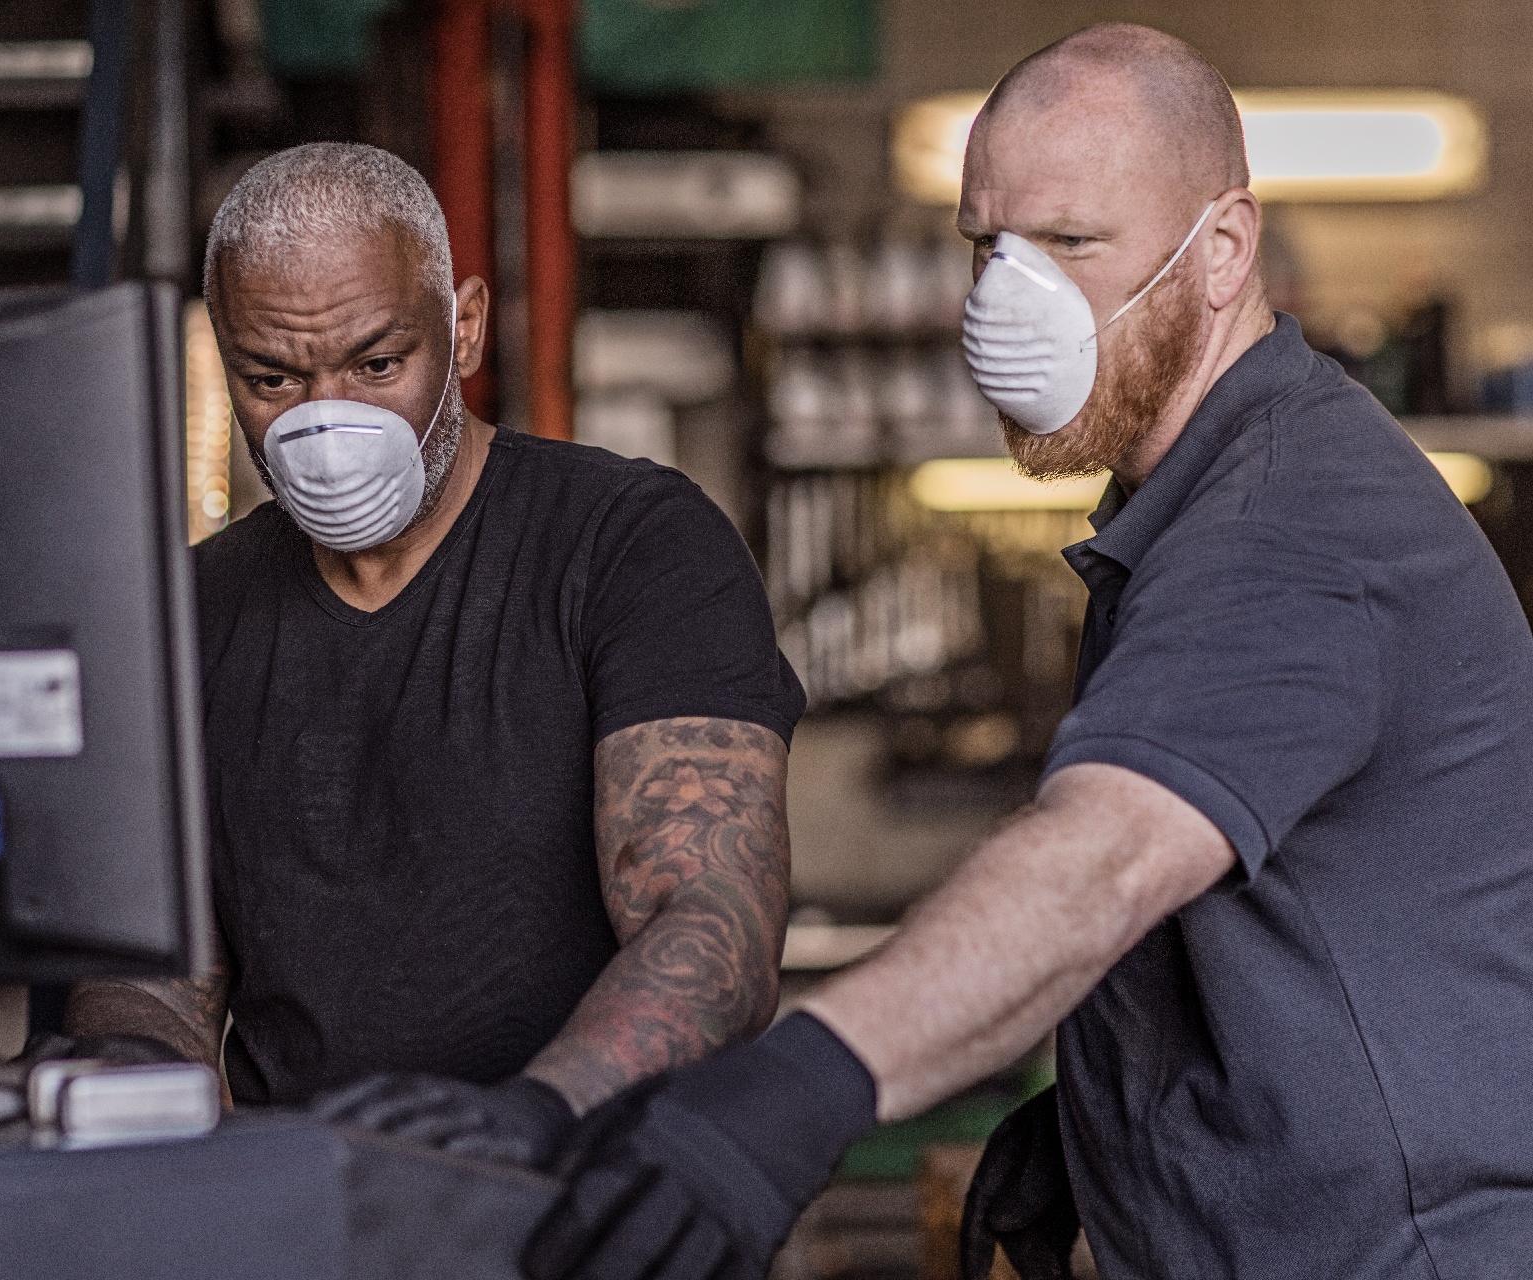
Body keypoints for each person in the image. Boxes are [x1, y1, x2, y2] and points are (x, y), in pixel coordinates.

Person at [526, 24, 1533, 1280]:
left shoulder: (1292, 529)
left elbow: (1102, 859)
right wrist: (1107, 1126)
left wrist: (795, 1088)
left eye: (1070, 243)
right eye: (987, 243)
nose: (1009, 296)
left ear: (1222, 251)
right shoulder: (1195, 506)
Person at [62, 142, 803, 1167]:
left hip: (592, 1197)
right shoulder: (189, 611)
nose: (331, 419)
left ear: (462, 327)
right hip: (316, 1208)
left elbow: (710, 918)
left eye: (376, 364)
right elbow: (153, 971)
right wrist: (151, 1119)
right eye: (273, 377)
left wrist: (538, 1111)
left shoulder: (632, 545)